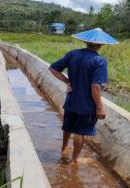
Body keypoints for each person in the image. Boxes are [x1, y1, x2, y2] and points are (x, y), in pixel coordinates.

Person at [49, 28, 118, 164]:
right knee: (80, 131)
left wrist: (68, 81)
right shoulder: (99, 61)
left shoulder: (73, 54)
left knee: (68, 127)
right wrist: (99, 107)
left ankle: (64, 150)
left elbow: (53, 69)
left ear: (86, 41)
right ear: (100, 45)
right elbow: (95, 87)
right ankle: (74, 160)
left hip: (71, 100)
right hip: (86, 105)